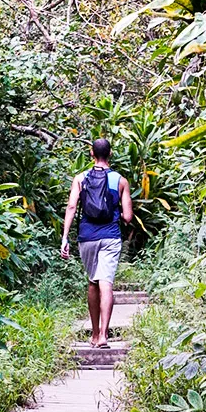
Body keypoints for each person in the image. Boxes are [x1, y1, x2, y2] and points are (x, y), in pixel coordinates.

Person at [60, 138, 133, 349]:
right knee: (106, 282)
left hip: (87, 237)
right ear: (110, 154)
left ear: (91, 154)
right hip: (110, 236)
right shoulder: (120, 180)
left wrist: (65, 237)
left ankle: (93, 334)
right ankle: (103, 336)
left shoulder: (80, 179)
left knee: (93, 281)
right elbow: (127, 216)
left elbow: (72, 207)